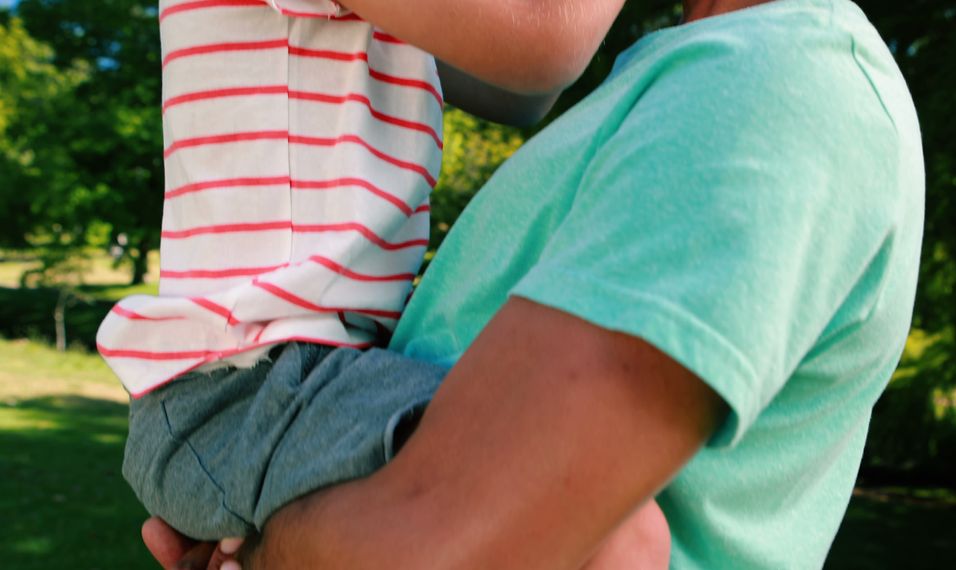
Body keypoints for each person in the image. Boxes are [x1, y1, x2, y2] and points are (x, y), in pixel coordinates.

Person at [144, 0, 925, 567]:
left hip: (268, 379)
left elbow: (444, 547)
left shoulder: (775, 83)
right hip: (254, 371)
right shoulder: (687, 81)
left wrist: (266, 545)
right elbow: (539, 52)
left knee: (624, 546)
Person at [105, 0, 646, 564]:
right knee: (611, 523)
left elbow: (521, 91)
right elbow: (544, 44)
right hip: (248, 382)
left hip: (308, 376)